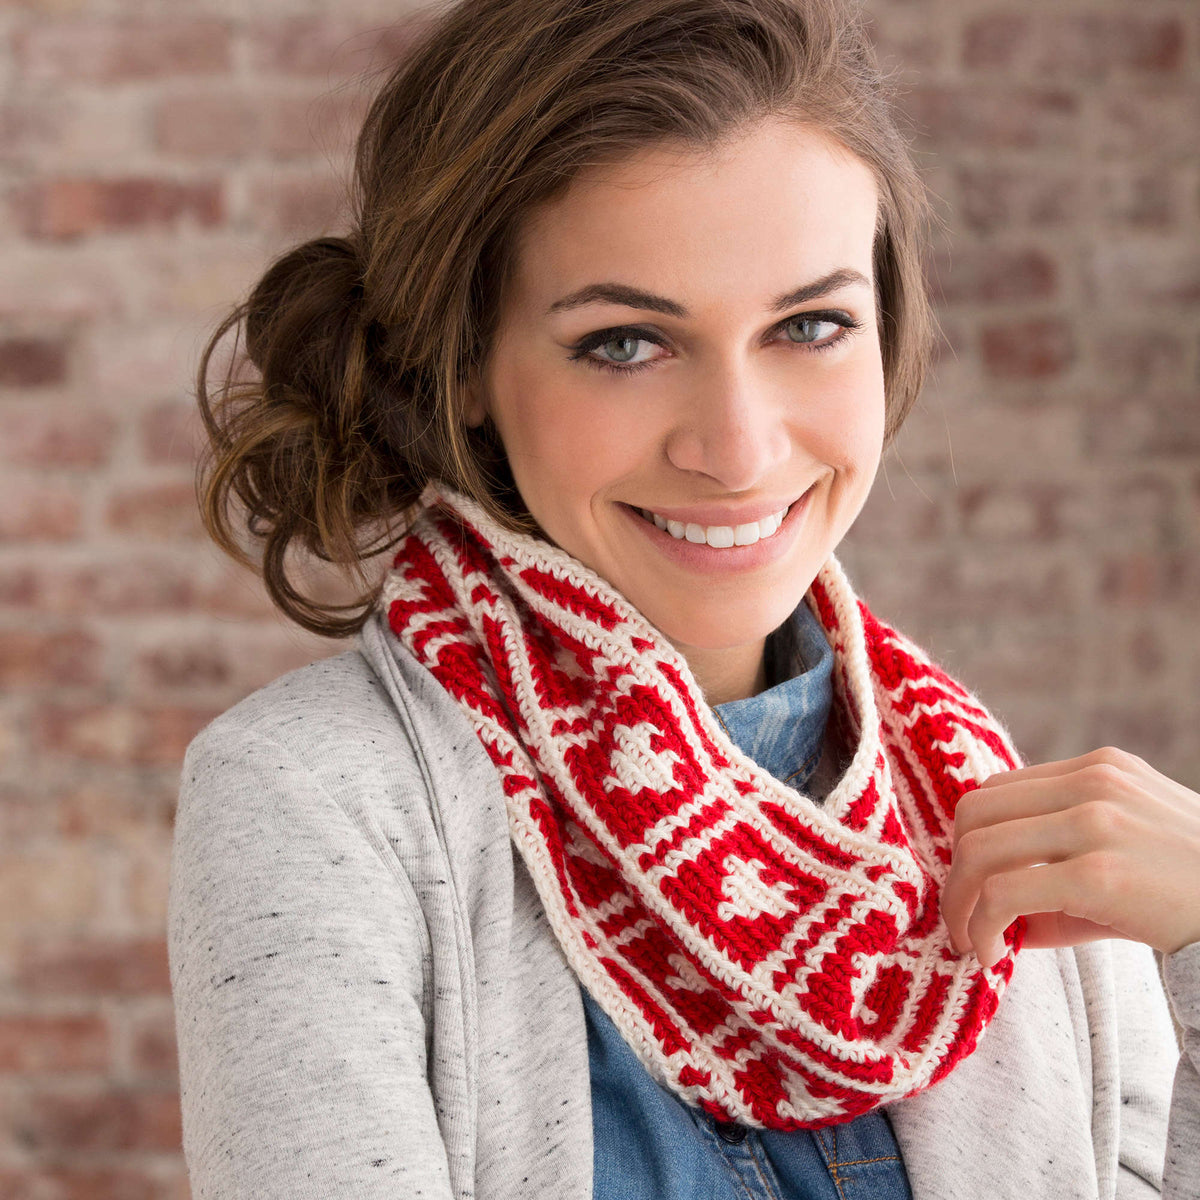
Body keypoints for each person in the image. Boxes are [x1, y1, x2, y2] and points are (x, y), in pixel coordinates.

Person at [166, 0, 1200, 1196]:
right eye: (625, 344)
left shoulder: (1001, 821)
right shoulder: (315, 804)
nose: (739, 449)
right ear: (467, 369)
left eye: (810, 325)